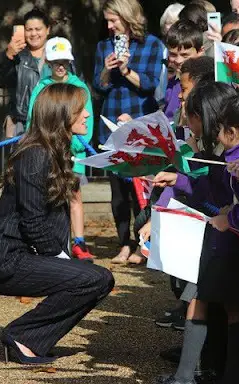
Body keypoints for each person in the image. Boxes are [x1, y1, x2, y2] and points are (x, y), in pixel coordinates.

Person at [0, 83, 115, 365]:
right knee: (94, 278)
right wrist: (61, 259)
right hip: (5, 259)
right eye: (80, 109)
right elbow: (32, 219)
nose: (87, 115)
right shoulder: (36, 154)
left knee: (99, 279)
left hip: (21, 255)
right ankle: (21, 335)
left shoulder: (53, 150)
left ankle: (31, 339)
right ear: (61, 114)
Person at [153, 81, 239, 384]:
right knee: (229, 306)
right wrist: (179, 181)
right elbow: (205, 192)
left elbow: (230, 197)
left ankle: (188, 375)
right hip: (226, 236)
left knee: (206, 301)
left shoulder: (237, 154)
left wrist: (228, 215)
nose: (187, 122)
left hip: (230, 239)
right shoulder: (221, 150)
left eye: (192, 115)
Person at [93, 0, 164, 264]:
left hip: (141, 124)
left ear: (127, 16)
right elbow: (97, 88)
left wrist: (126, 69)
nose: (109, 26)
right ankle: (124, 243)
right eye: (108, 21)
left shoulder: (152, 44)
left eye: (113, 20)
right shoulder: (103, 46)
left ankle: (141, 244)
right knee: (118, 193)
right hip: (111, 124)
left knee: (140, 189)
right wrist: (106, 71)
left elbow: (150, 84)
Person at [25, 37, 95, 262]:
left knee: (74, 195)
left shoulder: (79, 87)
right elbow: (32, 118)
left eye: (64, 61)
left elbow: (87, 123)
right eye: (56, 61)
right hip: (47, 152)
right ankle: (49, 242)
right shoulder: (41, 87)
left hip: (74, 153)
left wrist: (72, 146)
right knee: (48, 196)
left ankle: (79, 242)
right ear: (48, 62)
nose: (60, 66)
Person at [0, 9, 58, 138]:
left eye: (38, 29)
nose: (33, 33)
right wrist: (9, 56)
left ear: (48, 30)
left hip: (54, 120)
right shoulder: (17, 55)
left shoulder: (59, 53)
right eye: (29, 29)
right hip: (22, 122)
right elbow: (1, 81)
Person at [163, 20, 205, 121]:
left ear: (200, 51)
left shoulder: (205, 85)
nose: (178, 60)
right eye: (173, 54)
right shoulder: (174, 81)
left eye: (185, 55)